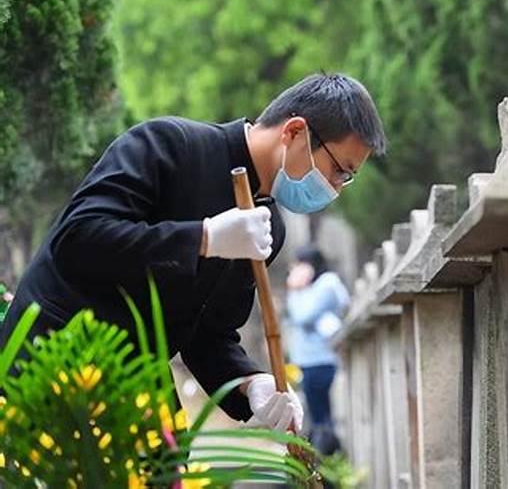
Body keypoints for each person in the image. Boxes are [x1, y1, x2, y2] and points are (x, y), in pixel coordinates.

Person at [0, 73, 386, 433]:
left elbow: (208, 333)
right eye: (340, 170)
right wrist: (203, 238)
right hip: (49, 362)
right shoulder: (169, 145)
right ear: (296, 131)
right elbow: (78, 237)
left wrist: (250, 382)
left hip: (136, 382)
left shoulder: (268, 226)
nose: (336, 187)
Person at [285, 245, 348, 454]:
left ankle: (327, 463)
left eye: (299, 264)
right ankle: (327, 462)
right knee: (318, 416)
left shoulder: (327, 285)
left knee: (321, 418)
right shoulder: (315, 288)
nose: (295, 270)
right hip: (311, 361)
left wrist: (294, 289)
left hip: (320, 361)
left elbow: (302, 316)